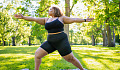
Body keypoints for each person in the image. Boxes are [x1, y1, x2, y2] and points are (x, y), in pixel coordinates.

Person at [14, 6, 94, 70]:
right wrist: (23, 17)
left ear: (55, 10)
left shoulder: (61, 18)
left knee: (70, 58)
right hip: (50, 42)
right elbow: (34, 19)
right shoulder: (46, 19)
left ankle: (82, 69)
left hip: (61, 41)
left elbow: (74, 19)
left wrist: (85, 20)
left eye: (50, 9)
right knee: (37, 55)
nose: (48, 10)